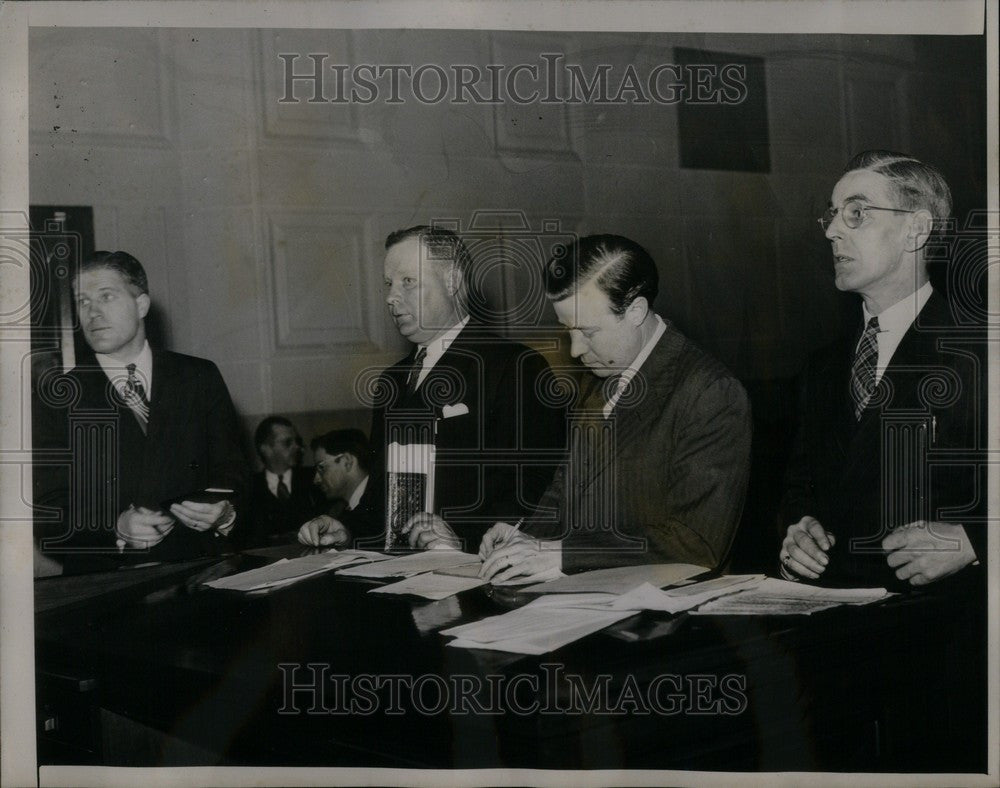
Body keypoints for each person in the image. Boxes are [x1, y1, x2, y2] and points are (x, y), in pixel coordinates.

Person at [480, 234, 752, 583]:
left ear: (636, 311)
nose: (576, 350)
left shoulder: (711, 392)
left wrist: (564, 555)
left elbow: (695, 546)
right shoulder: (600, 376)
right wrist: (524, 535)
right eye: (568, 331)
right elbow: (566, 487)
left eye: (588, 332)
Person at [778, 151, 986, 589]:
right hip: (833, 625)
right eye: (832, 216)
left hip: (944, 631)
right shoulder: (821, 367)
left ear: (916, 229)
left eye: (856, 213)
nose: (833, 231)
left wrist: (973, 541)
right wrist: (798, 530)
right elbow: (800, 489)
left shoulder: (982, 352)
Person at [33, 250, 248, 566]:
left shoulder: (198, 377)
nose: (93, 312)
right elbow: (47, 510)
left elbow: (235, 472)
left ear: (141, 304)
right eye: (83, 301)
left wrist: (226, 513)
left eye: (106, 296)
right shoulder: (58, 396)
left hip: (198, 572)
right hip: (109, 584)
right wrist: (116, 528)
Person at [369, 225, 565, 552]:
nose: (391, 297)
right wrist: (345, 527)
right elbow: (380, 492)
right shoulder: (391, 381)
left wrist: (464, 539)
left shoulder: (514, 366)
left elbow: (535, 487)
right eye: (389, 284)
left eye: (408, 281)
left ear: (453, 282)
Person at [244, 416, 324, 546]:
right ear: (266, 449)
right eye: (287, 442)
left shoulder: (314, 479)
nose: (297, 447)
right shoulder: (249, 487)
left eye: (297, 441)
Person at [297, 429, 380, 548]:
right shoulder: (338, 512)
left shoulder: (383, 502)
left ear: (347, 461)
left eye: (321, 467)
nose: (316, 480)